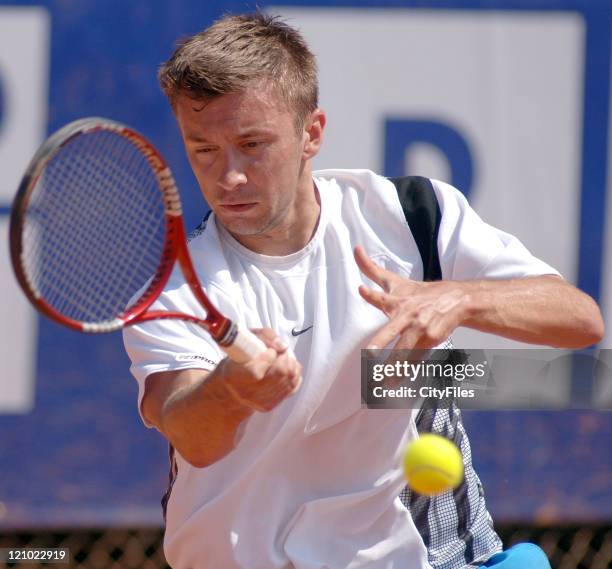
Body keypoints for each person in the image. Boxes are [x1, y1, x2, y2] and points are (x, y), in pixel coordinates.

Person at [123, 12, 604, 569]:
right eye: (203, 149)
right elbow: (191, 432)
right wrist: (233, 391)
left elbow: (580, 320)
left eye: (252, 144)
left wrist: (459, 297)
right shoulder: (175, 283)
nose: (229, 176)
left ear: (312, 133)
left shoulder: (408, 214)